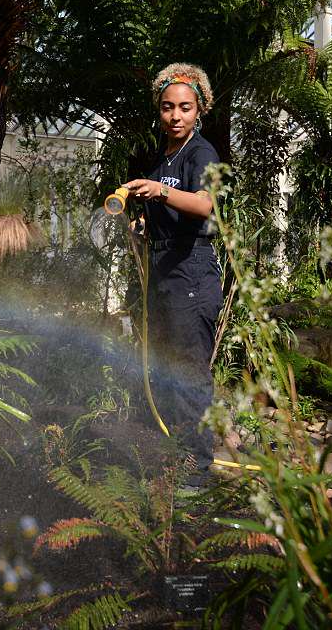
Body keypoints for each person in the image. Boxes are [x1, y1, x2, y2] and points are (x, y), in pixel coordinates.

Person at [122, 63, 223, 488]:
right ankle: (180, 456)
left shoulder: (202, 153)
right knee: (168, 367)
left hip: (192, 274)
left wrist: (159, 190)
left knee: (188, 371)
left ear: (199, 110)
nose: (175, 116)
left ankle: (197, 473)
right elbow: (167, 210)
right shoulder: (163, 155)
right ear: (158, 111)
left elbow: (204, 205)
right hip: (165, 271)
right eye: (168, 108)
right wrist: (146, 223)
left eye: (184, 108)